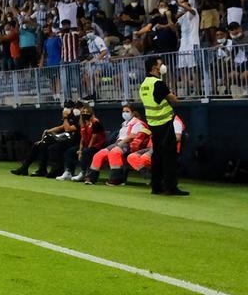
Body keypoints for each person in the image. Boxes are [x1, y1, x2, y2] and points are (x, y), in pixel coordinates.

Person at [139, 57, 188, 195]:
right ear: (155, 67)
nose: (162, 66)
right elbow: (174, 100)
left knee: (157, 156)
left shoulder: (144, 84)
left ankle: (156, 187)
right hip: (164, 123)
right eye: (160, 64)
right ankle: (171, 187)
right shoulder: (158, 83)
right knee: (169, 157)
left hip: (153, 124)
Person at [80, 104, 149, 185]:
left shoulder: (138, 123)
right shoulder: (124, 123)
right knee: (100, 154)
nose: (125, 113)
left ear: (133, 113)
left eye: (127, 111)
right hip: (118, 143)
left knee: (114, 152)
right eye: (123, 111)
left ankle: (116, 179)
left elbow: (132, 136)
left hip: (128, 144)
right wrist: (117, 144)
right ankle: (91, 178)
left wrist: (120, 144)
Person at [10, 104, 78, 177]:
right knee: (38, 145)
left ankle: (44, 170)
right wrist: (47, 131)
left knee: (47, 144)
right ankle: (26, 167)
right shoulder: (71, 117)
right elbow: (60, 127)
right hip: (64, 139)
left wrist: (65, 117)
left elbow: (67, 129)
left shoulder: (77, 118)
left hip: (72, 140)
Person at [57, 104, 106, 181]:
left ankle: (84, 172)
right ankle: (68, 172)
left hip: (97, 146)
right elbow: (82, 138)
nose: (85, 113)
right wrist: (80, 150)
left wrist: (83, 150)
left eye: (87, 112)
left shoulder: (95, 122)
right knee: (70, 151)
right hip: (87, 145)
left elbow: (94, 138)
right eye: (83, 112)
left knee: (86, 152)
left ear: (91, 113)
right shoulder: (82, 123)